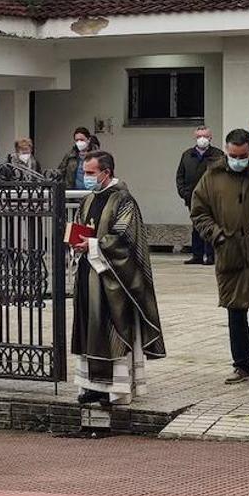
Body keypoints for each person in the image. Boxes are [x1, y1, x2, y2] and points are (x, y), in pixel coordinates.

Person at [70, 151, 166, 406]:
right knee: (89, 329)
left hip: (114, 279)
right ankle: (91, 386)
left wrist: (93, 244)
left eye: (90, 173)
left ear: (106, 172)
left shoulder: (124, 201)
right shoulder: (88, 200)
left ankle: (115, 389)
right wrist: (76, 242)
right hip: (89, 272)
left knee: (111, 331)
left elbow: (125, 239)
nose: (86, 177)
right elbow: (81, 227)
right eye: (85, 172)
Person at [190, 129, 249, 385]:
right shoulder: (212, 175)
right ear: (226, 151)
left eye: (243, 156)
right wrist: (216, 235)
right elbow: (199, 212)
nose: (238, 160)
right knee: (235, 310)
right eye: (233, 155)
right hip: (229, 251)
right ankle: (241, 364)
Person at [176, 126, 223, 265]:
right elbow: (180, 176)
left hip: (211, 198)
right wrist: (184, 193)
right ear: (195, 138)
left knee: (210, 225)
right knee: (196, 226)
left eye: (205, 136)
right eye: (199, 136)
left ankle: (211, 256)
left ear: (210, 137)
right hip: (192, 197)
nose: (202, 139)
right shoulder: (187, 155)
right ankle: (197, 255)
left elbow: (223, 175)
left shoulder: (217, 155)